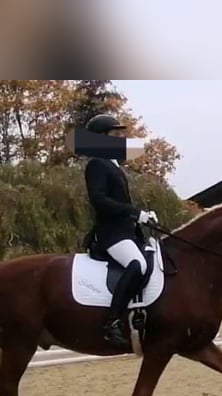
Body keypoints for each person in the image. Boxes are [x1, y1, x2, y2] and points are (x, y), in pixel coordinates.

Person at [83, 113, 158, 349]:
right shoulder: (97, 163)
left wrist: (142, 217)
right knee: (138, 265)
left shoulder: (114, 164)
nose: (120, 140)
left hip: (126, 232)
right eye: (115, 135)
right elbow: (100, 200)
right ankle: (112, 321)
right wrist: (134, 213)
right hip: (111, 234)